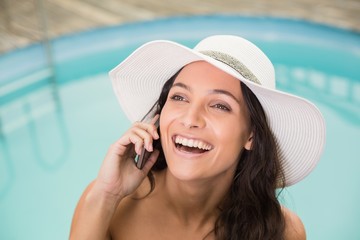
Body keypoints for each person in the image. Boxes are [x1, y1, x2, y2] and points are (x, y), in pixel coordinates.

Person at [70, 35, 326, 240]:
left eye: (220, 106)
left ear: (251, 136)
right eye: (179, 97)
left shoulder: (282, 232)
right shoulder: (109, 201)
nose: (191, 119)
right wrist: (107, 195)